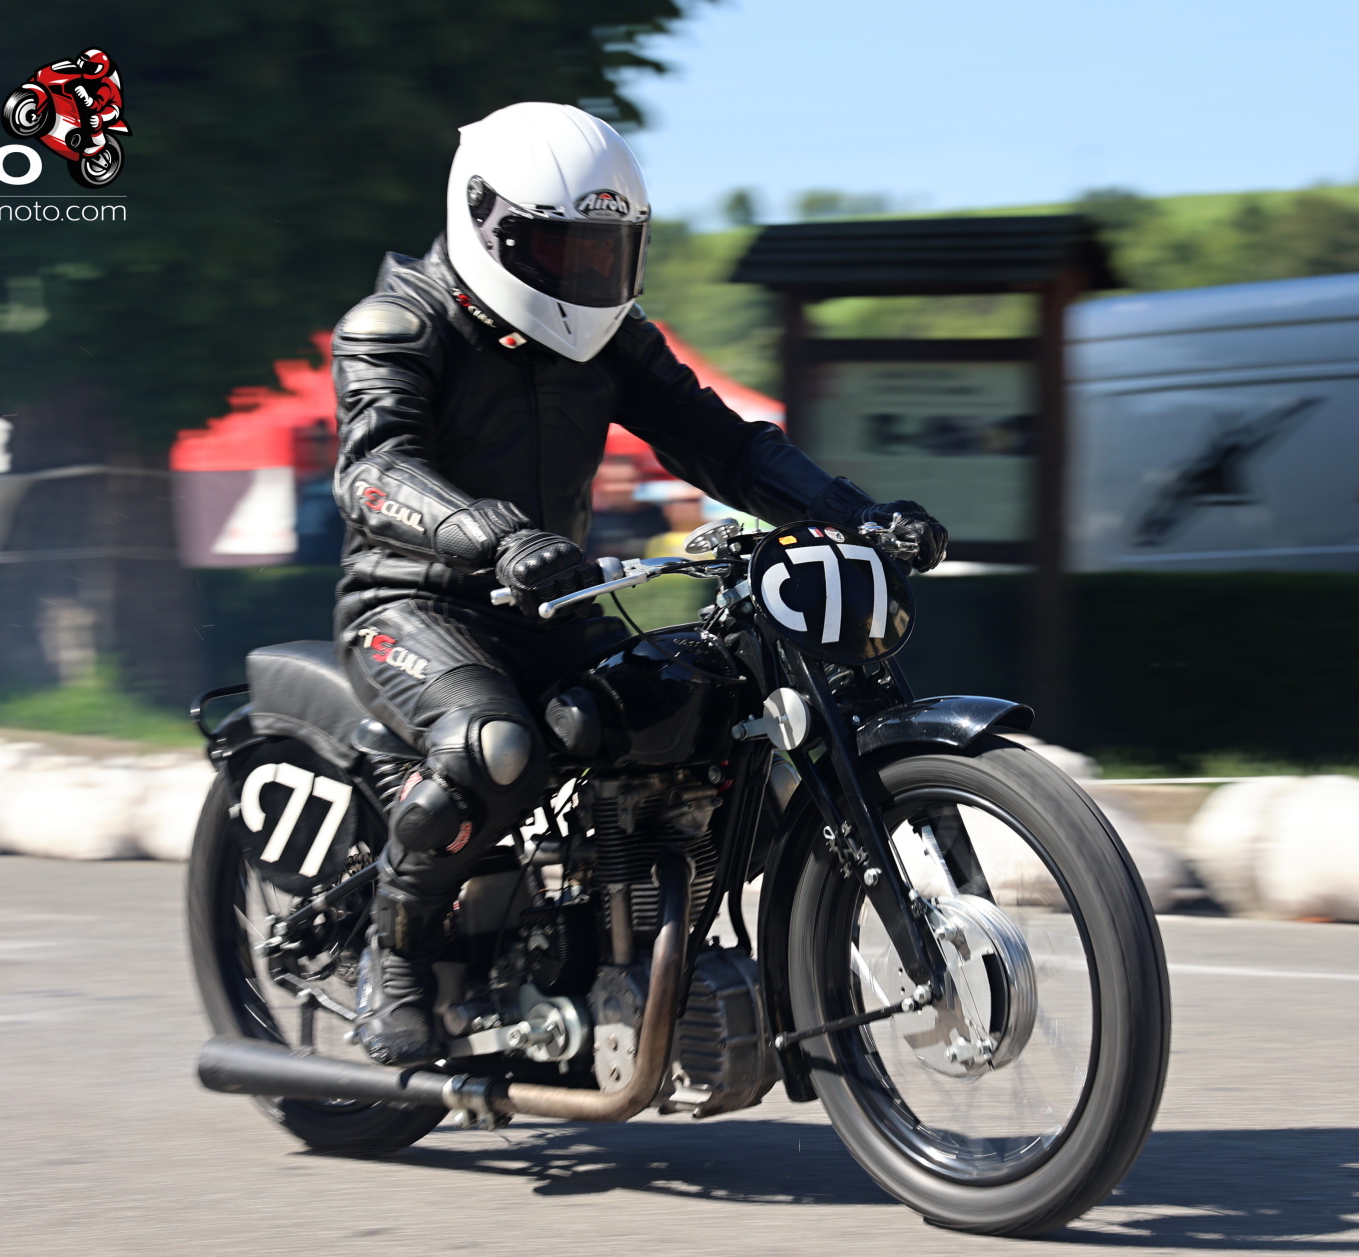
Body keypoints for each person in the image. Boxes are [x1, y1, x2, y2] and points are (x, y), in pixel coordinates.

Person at [329, 102, 949, 1066]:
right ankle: (394, 956)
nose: (585, 275)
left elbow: (725, 444)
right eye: (559, 250)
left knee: (708, 723)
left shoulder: (614, 339)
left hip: (557, 600)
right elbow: (375, 472)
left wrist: (854, 512)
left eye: (604, 253)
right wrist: (495, 534)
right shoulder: (400, 324)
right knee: (494, 747)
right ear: (485, 219)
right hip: (415, 605)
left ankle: (622, 939)